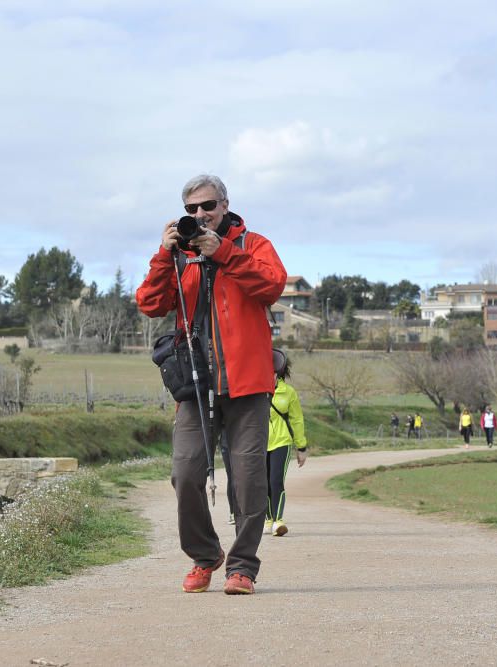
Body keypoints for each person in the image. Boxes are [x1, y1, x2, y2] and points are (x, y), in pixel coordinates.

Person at [136, 174, 286, 596]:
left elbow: (272, 285)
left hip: (248, 382)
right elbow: (150, 304)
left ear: (224, 205)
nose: (199, 215)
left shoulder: (252, 245)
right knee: (184, 474)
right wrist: (165, 255)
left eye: (206, 206)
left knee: (249, 478)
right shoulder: (179, 256)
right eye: (191, 210)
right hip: (196, 385)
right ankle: (206, 556)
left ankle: (242, 567)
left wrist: (221, 252)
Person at [264, 349, 307, 538]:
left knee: (275, 481)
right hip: (258, 443)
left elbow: (297, 420)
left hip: (281, 442)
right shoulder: (255, 390)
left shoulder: (288, 392)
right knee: (262, 483)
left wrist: (301, 447)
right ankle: (268, 519)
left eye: (273, 371)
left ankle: (278, 521)